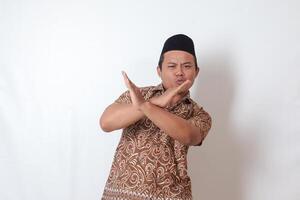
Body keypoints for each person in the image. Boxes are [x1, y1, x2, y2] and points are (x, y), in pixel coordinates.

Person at [99, 34, 212, 200]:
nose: (179, 72)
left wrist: (145, 106)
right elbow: (106, 122)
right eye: (172, 66)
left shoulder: (199, 114)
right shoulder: (136, 95)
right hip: (119, 195)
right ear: (159, 71)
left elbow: (188, 136)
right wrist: (156, 101)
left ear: (196, 72)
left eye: (187, 66)